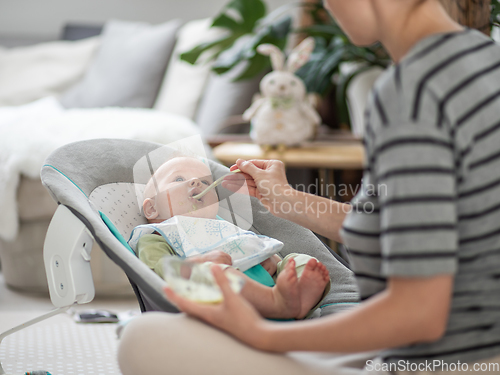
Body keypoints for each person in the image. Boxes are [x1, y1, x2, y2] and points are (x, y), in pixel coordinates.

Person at [118, 0, 500, 374]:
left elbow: (419, 314)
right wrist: (287, 200)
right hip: (466, 342)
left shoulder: (411, 92)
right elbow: (410, 225)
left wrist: (263, 335)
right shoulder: (482, 59)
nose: (327, 7)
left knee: (142, 338)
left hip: (449, 359)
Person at [132, 156, 331, 319]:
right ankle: (277, 304)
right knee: (214, 272)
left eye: (205, 182)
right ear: (152, 208)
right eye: (178, 179)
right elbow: (157, 272)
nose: (196, 183)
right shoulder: (157, 236)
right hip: (220, 299)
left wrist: (271, 260)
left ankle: (297, 301)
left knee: (299, 261)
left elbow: (248, 243)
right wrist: (200, 262)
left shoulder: (219, 226)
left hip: (268, 281)